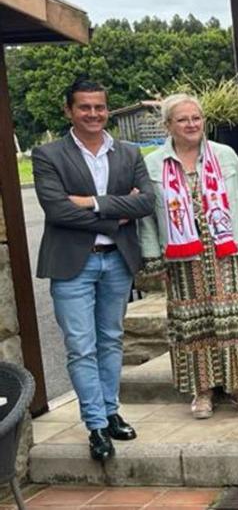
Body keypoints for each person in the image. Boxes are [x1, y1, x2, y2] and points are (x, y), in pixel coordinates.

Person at [32, 78, 155, 461]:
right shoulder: (47, 154)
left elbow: (148, 201)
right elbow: (57, 210)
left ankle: (111, 410)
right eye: (84, 107)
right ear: (69, 110)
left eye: (99, 107)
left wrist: (92, 203)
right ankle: (96, 425)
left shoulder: (129, 154)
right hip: (73, 265)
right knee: (81, 348)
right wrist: (115, 214)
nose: (93, 114)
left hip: (117, 261)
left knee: (111, 340)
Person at [140, 94, 238, 419]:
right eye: (182, 119)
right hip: (183, 258)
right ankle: (203, 390)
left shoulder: (224, 156)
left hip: (224, 251)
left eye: (196, 118)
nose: (191, 124)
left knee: (233, 320)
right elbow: (148, 217)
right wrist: (154, 257)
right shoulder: (154, 164)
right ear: (168, 125)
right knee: (193, 324)